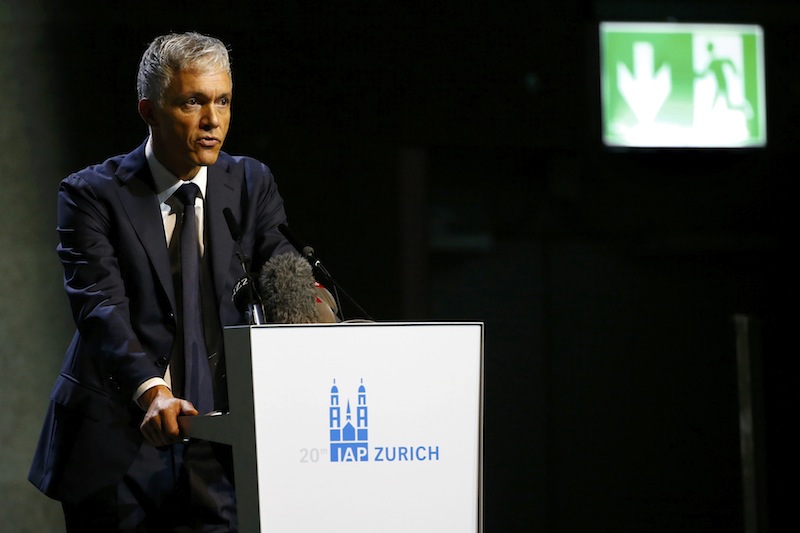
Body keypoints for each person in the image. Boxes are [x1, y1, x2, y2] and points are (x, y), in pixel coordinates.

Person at [28, 31, 297, 531]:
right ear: (148, 111)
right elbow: (98, 305)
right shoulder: (92, 194)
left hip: (223, 443)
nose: (213, 120)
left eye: (222, 101)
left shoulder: (250, 183)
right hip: (119, 441)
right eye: (193, 102)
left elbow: (283, 273)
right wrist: (152, 391)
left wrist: (320, 317)